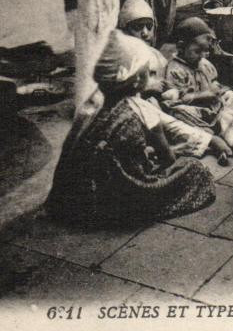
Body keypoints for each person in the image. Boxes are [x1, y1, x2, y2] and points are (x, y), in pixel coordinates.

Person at [47, 30, 215, 228]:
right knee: (194, 169)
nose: (150, 77)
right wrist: (174, 151)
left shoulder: (89, 106)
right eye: (147, 73)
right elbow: (167, 159)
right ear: (136, 80)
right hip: (116, 198)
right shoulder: (141, 111)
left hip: (75, 199)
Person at [119, 0, 232, 163]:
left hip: (161, 108)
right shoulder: (121, 56)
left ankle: (201, 140)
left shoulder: (156, 55)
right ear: (124, 29)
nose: (145, 33)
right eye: (138, 27)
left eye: (149, 27)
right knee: (160, 113)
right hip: (137, 106)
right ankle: (196, 143)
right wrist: (147, 87)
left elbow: (169, 89)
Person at [165, 18, 233, 155]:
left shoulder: (204, 64)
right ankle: (215, 138)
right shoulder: (175, 70)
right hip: (196, 113)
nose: (202, 56)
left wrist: (223, 92)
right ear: (181, 47)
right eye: (197, 51)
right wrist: (205, 95)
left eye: (205, 51)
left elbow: (215, 84)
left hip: (216, 109)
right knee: (177, 112)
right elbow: (177, 99)